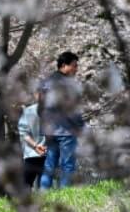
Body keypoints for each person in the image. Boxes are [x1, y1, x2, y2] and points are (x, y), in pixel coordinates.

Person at [39, 51, 84, 189]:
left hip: (50, 130)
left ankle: (43, 194)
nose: (76, 69)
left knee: (49, 165)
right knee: (68, 165)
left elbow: (40, 108)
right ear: (64, 65)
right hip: (67, 131)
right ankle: (65, 197)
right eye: (74, 66)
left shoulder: (46, 83)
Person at [18, 89, 47, 190]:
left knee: (27, 184)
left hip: (34, 153)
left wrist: (36, 146)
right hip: (38, 153)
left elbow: (23, 133)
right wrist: (37, 146)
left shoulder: (28, 111)